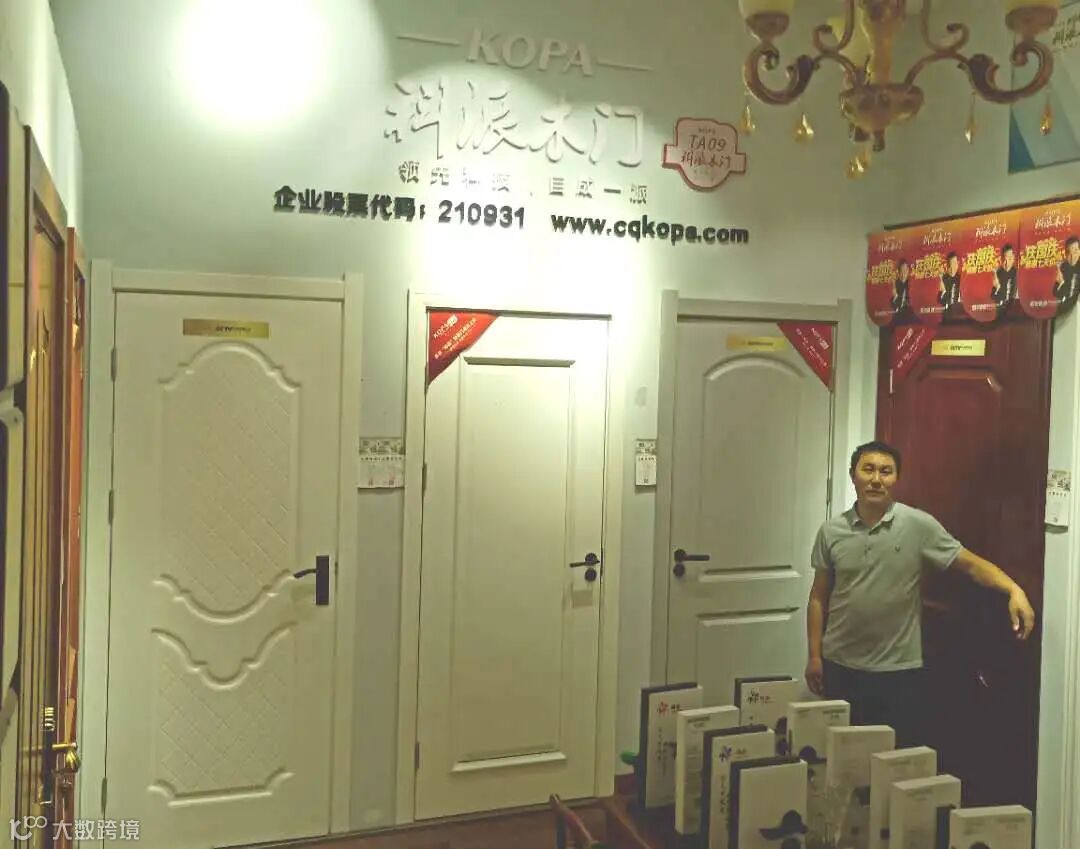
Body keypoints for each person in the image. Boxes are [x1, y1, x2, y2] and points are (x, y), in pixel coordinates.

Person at [804, 440, 1036, 748]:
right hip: (840, 666)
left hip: (898, 671)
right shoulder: (831, 532)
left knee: (895, 759)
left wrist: (1013, 589)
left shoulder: (918, 525)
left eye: (886, 471)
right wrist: (815, 656)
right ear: (853, 475)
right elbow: (818, 597)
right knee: (839, 756)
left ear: (896, 478)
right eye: (868, 469)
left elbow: (969, 565)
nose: (876, 479)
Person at [1054, 235, 1080, 306]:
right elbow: (1055, 292)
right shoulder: (1063, 267)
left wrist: (1062, 283)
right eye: (1069, 252)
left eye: (1075, 251)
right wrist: (1060, 283)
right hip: (1064, 308)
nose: (1072, 256)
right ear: (1066, 254)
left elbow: (1073, 296)